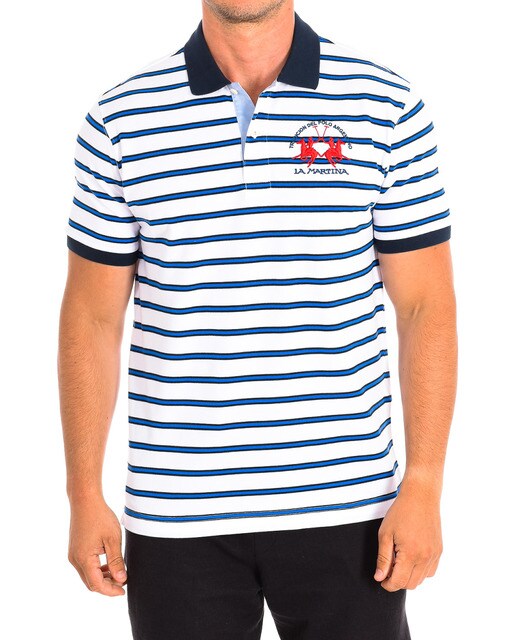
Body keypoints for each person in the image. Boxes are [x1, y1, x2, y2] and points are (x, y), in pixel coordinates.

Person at [58, 1, 457, 638]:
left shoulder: (385, 105)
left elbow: (424, 306)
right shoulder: (121, 118)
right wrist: (83, 494)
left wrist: (425, 484)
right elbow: (92, 317)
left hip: (348, 503)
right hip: (177, 510)